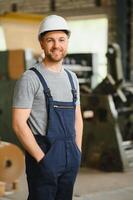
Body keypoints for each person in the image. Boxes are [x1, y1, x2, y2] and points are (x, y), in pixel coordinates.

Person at [12, 15, 83, 200]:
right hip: (44, 156)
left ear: (67, 42)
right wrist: (42, 159)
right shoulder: (30, 78)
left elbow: (77, 117)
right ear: (42, 43)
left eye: (61, 40)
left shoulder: (72, 78)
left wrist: (77, 152)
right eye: (50, 40)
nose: (56, 45)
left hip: (70, 157)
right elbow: (19, 124)